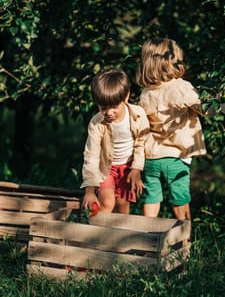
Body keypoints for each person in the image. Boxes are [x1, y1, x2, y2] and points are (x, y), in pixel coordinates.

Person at [136, 37, 207, 220]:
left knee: (151, 198)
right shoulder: (181, 87)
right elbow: (207, 109)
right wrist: (224, 102)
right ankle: (185, 242)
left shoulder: (146, 93)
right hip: (176, 157)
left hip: (151, 157)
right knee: (180, 199)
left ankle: (147, 235)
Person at [80, 68, 150, 214]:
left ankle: (118, 235)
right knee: (107, 202)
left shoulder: (138, 115)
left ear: (126, 97)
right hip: (106, 168)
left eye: (114, 107)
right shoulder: (96, 124)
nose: (109, 113)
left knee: (122, 206)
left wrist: (136, 169)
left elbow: (140, 143)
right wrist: (90, 190)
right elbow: (91, 156)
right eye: (103, 108)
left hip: (127, 168)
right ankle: (97, 234)